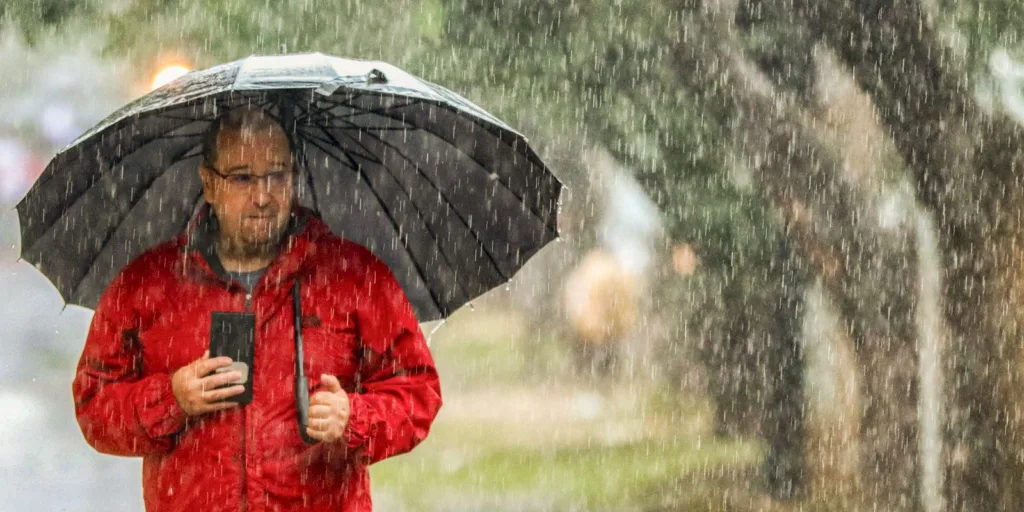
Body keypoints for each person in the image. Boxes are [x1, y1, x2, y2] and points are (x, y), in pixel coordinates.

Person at [72, 105, 443, 511]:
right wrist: (171, 398)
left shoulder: (351, 275)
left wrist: (354, 417)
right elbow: (94, 405)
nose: (263, 196)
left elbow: (417, 390)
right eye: (242, 177)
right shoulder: (148, 283)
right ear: (209, 184)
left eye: (277, 175)